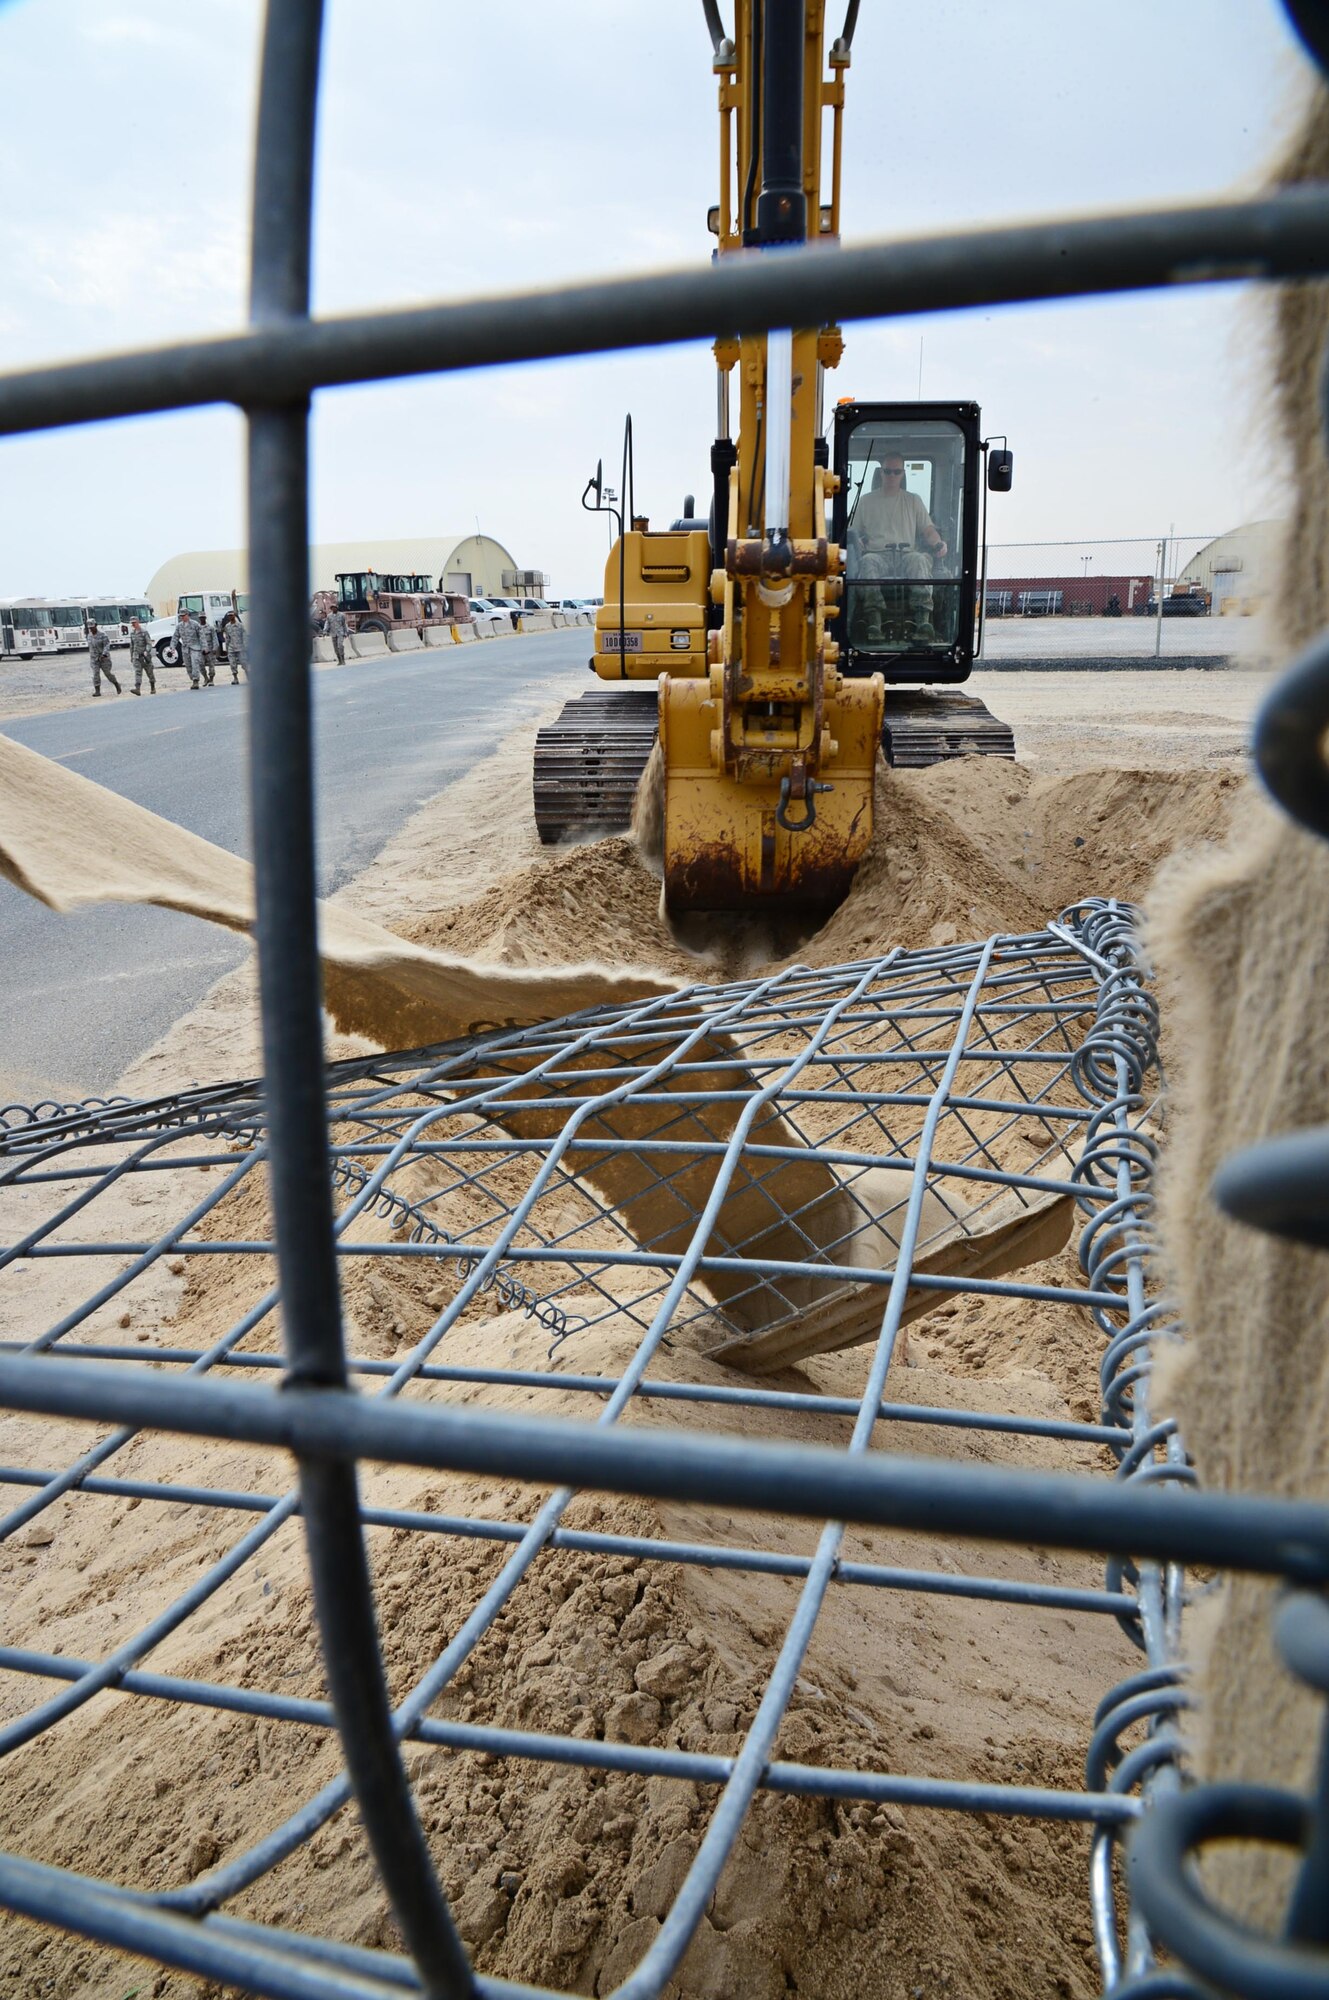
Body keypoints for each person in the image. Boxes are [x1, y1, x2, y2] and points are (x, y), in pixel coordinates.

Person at [849, 452, 948, 643]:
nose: (892, 476)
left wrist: (938, 543)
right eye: (888, 471)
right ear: (881, 473)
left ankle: (923, 623)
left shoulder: (913, 501)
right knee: (867, 562)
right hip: (878, 555)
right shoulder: (866, 501)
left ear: (903, 474)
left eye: (896, 472)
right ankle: (874, 623)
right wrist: (857, 540)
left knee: (920, 560)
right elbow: (853, 532)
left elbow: (928, 530)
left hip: (906, 555)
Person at [87, 622, 121, 697]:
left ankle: (116, 684)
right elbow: (90, 647)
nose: (91, 629)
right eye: (89, 628)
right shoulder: (89, 636)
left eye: (92, 627)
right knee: (95, 674)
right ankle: (97, 691)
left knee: (108, 674)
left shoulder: (103, 635)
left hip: (104, 658)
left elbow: (107, 645)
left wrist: (104, 654)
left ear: (96, 626)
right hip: (94, 659)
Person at [128, 617, 156, 694]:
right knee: (137, 672)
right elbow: (132, 645)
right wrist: (131, 656)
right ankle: (137, 689)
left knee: (149, 672)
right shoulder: (132, 633)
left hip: (145, 657)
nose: (133, 624)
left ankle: (153, 687)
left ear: (138, 622)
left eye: (134, 622)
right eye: (132, 623)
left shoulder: (144, 632)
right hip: (136, 656)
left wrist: (147, 651)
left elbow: (149, 643)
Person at [225, 611, 248, 682]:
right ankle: (235, 678)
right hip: (231, 647)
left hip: (240, 647)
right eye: (229, 616)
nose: (230, 617)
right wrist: (227, 649)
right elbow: (227, 638)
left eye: (231, 615)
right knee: (232, 664)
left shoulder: (240, 625)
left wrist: (245, 646)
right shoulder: (227, 626)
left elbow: (244, 636)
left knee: (244, 663)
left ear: (234, 616)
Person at [198, 617, 218, 686]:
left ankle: (211, 680)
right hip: (201, 649)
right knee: (200, 665)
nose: (202, 619)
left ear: (205, 618)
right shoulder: (197, 628)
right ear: (199, 618)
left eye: (203, 617)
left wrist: (215, 648)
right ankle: (206, 678)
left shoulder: (210, 628)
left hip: (210, 649)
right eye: (200, 618)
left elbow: (215, 638)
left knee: (211, 665)